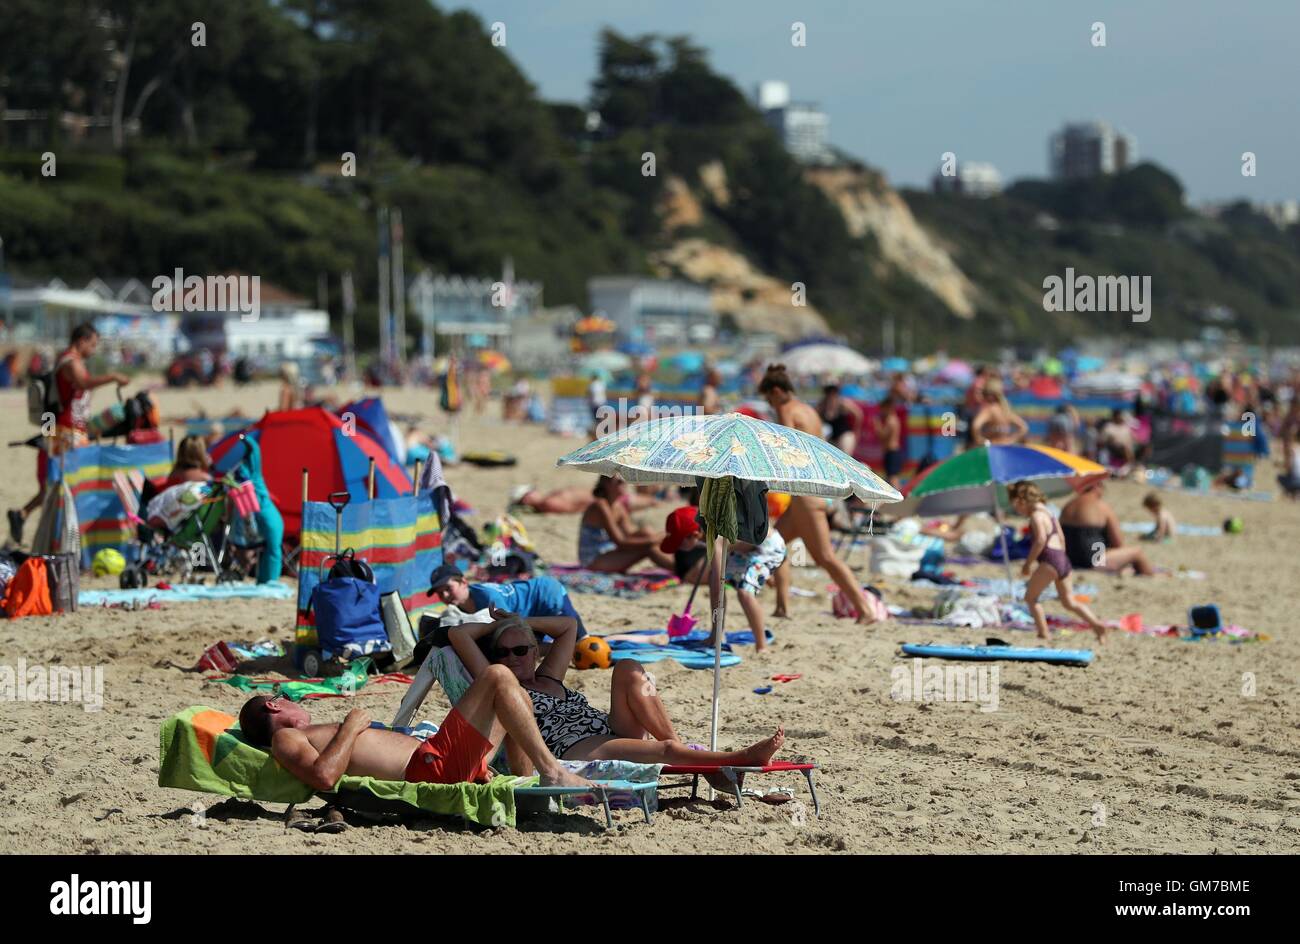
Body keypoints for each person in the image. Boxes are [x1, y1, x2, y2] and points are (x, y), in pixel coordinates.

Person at [450, 611, 785, 770]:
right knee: (663, 750)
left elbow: (568, 626)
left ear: (536, 653)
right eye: (503, 653)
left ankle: (687, 753)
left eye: (521, 650)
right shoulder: (501, 682)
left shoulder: (549, 676)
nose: (512, 658)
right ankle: (736, 761)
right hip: (576, 746)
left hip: (607, 727)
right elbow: (458, 635)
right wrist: (500, 628)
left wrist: (518, 621)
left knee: (628, 668)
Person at [237, 672, 594, 789]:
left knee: (515, 695)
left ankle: (523, 781)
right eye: (283, 697)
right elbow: (324, 777)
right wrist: (350, 727)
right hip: (431, 765)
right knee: (497, 675)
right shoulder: (285, 738)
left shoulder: (307, 734)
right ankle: (552, 771)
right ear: (274, 706)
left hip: (438, 756)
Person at [759, 364, 880, 624]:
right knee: (775, 545)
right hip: (818, 489)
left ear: (778, 391)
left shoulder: (786, 410)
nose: (770, 405)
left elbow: (783, 448)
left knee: (825, 557)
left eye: (769, 399)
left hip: (808, 497)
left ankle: (865, 609)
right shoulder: (810, 410)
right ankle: (782, 607)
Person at [9, 324, 128, 545]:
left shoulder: (73, 362)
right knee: (63, 486)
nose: (93, 350)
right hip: (64, 432)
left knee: (59, 487)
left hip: (69, 431)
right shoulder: (70, 362)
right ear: (81, 341)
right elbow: (83, 383)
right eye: (92, 344)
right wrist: (112, 377)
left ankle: (23, 515)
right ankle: (56, 537)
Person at [659, 507, 783, 652]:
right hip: (746, 549)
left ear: (695, 534)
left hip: (769, 546)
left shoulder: (715, 538)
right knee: (714, 578)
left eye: (679, 543)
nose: (678, 548)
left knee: (744, 592)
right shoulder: (708, 530)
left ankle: (762, 645)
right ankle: (718, 634)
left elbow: (719, 583)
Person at [1008, 481, 1108, 643]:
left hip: (1049, 560)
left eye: (1016, 506)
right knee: (1069, 601)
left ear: (1021, 501)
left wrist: (1028, 563)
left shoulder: (1036, 515)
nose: (1017, 510)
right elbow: (1061, 538)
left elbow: (1040, 539)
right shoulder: (1049, 513)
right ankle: (1097, 625)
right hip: (1062, 559)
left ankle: (1043, 634)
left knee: (1030, 598)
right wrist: (1060, 559)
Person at [427, 564, 589, 640]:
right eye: (440, 593)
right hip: (530, 612)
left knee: (584, 644)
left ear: (463, 582)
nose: (445, 595)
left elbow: (511, 629)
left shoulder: (488, 598)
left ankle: (612, 639)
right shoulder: (461, 607)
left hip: (547, 595)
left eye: (448, 588)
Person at [577, 476, 674, 572]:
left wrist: (653, 537)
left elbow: (630, 533)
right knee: (648, 548)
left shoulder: (618, 505)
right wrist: (653, 540)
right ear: (606, 484)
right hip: (592, 559)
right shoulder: (601, 505)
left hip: (609, 552)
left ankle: (679, 564)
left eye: (624, 480)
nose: (624, 483)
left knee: (646, 531)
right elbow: (621, 542)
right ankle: (682, 570)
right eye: (619, 481)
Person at [1059, 481, 1154, 575]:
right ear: (1097, 486)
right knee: (1137, 552)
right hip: (1094, 561)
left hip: (1069, 560)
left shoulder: (1068, 505)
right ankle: (1153, 576)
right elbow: (1118, 543)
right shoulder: (1101, 506)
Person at [235, 435, 284, 583]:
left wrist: (244, 439)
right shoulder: (252, 473)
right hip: (268, 513)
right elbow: (254, 450)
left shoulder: (247, 472)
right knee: (273, 548)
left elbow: (253, 450)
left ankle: (267, 580)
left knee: (273, 548)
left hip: (266, 512)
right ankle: (268, 581)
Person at [970, 377, 1028, 445]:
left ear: (990, 395)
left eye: (984, 393)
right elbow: (1024, 427)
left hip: (993, 447)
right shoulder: (1005, 409)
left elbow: (975, 426)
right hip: (1006, 446)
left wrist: (980, 440)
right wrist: (1012, 439)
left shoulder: (989, 410)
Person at [817, 385, 863, 456]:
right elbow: (814, 416)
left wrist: (857, 431)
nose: (831, 396)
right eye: (829, 393)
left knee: (845, 455)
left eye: (833, 393)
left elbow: (858, 414)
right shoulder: (822, 405)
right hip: (830, 436)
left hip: (844, 434)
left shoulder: (842, 403)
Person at [873, 393, 904, 488]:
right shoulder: (892, 419)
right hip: (891, 452)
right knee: (891, 478)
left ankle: (900, 500)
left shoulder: (891, 420)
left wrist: (877, 425)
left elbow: (882, 435)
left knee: (893, 478)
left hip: (892, 452)